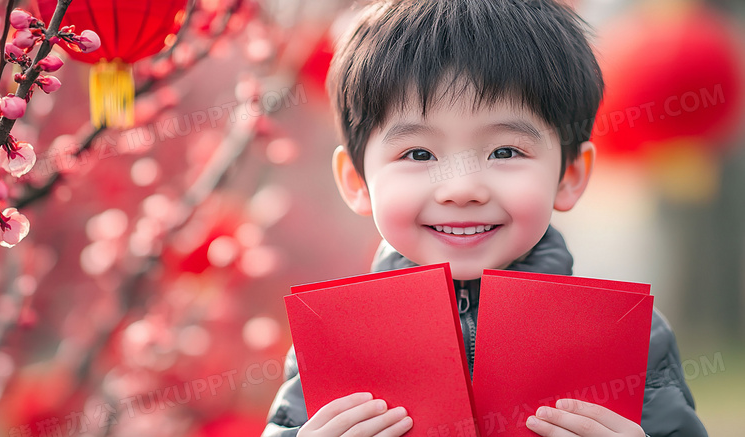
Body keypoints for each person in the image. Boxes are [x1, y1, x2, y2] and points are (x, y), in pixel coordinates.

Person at [263, 0, 709, 436]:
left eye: (505, 151)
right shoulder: (334, 344)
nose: (462, 188)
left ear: (569, 175)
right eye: (419, 153)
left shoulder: (628, 340)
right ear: (357, 180)